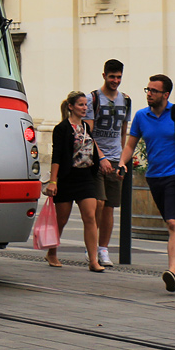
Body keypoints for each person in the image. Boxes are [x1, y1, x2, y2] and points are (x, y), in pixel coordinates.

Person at [117, 74, 175, 292]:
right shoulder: (141, 116)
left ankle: (171, 271)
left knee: (173, 224)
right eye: (147, 90)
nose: (149, 94)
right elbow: (131, 145)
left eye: (154, 91)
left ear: (165, 95)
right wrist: (122, 162)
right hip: (154, 178)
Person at [43, 91, 114, 271]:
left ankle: (93, 260)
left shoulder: (86, 127)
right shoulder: (62, 128)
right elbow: (57, 156)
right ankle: (52, 252)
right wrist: (53, 181)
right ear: (71, 107)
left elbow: (91, 151)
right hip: (68, 177)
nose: (84, 108)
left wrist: (103, 164)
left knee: (90, 217)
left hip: (85, 177)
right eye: (81, 105)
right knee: (61, 220)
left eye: (85, 105)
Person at [86, 59, 131, 267]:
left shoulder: (126, 100)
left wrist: (122, 159)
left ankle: (104, 249)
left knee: (110, 206)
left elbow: (123, 131)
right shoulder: (92, 98)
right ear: (104, 75)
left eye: (119, 77)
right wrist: (101, 156)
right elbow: (88, 132)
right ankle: (93, 248)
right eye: (112, 77)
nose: (116, 81)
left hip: (115, 158)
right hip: (95, 158)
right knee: (99, 203)